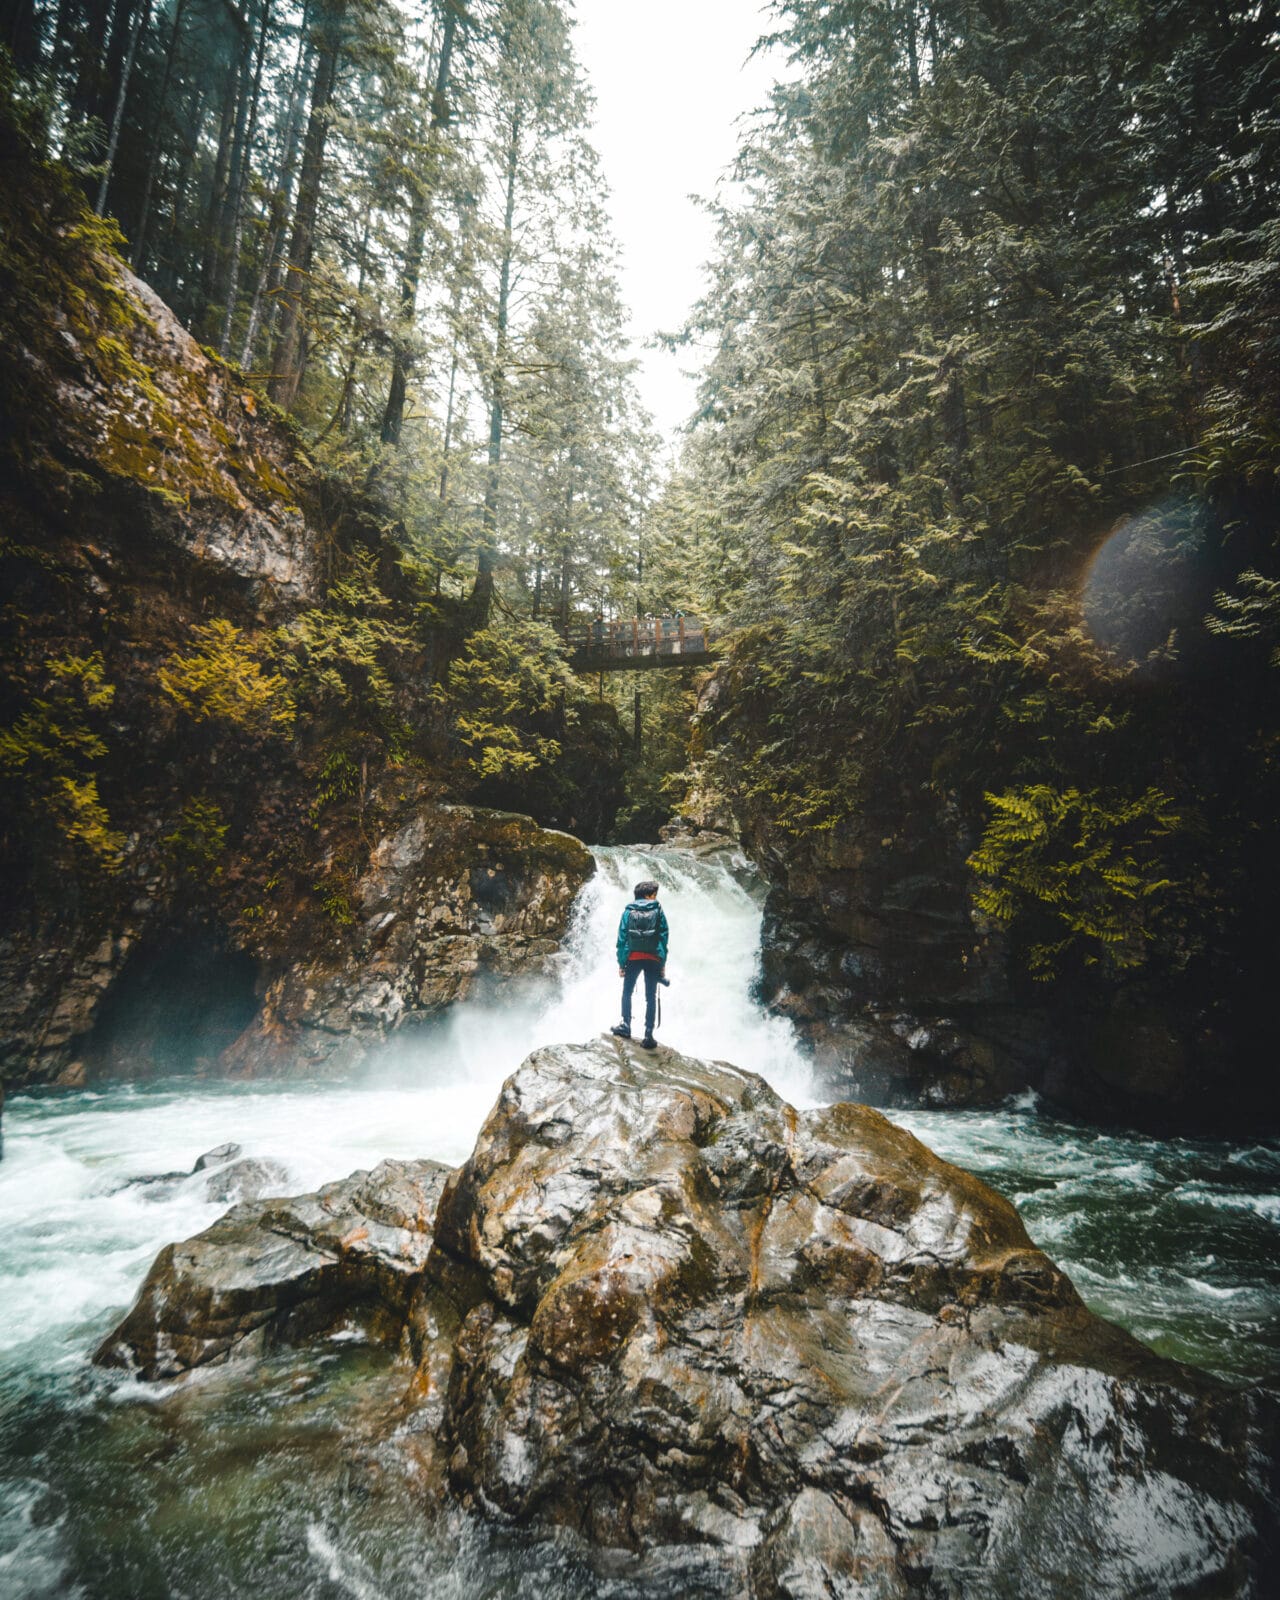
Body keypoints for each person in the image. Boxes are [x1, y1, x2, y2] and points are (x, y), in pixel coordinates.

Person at [611, 878, 668, 1048]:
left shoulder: (628, 911)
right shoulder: (658, 910)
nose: (656, 898)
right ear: (649, 895)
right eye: (654, 895)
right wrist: (662, 963)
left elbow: (622, 939)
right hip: (652, 959)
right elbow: (663, 937)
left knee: (627, 992)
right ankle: (648, 1035)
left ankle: (626, 1025)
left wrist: (622, 963)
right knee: (650, 998)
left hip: (633, 957)